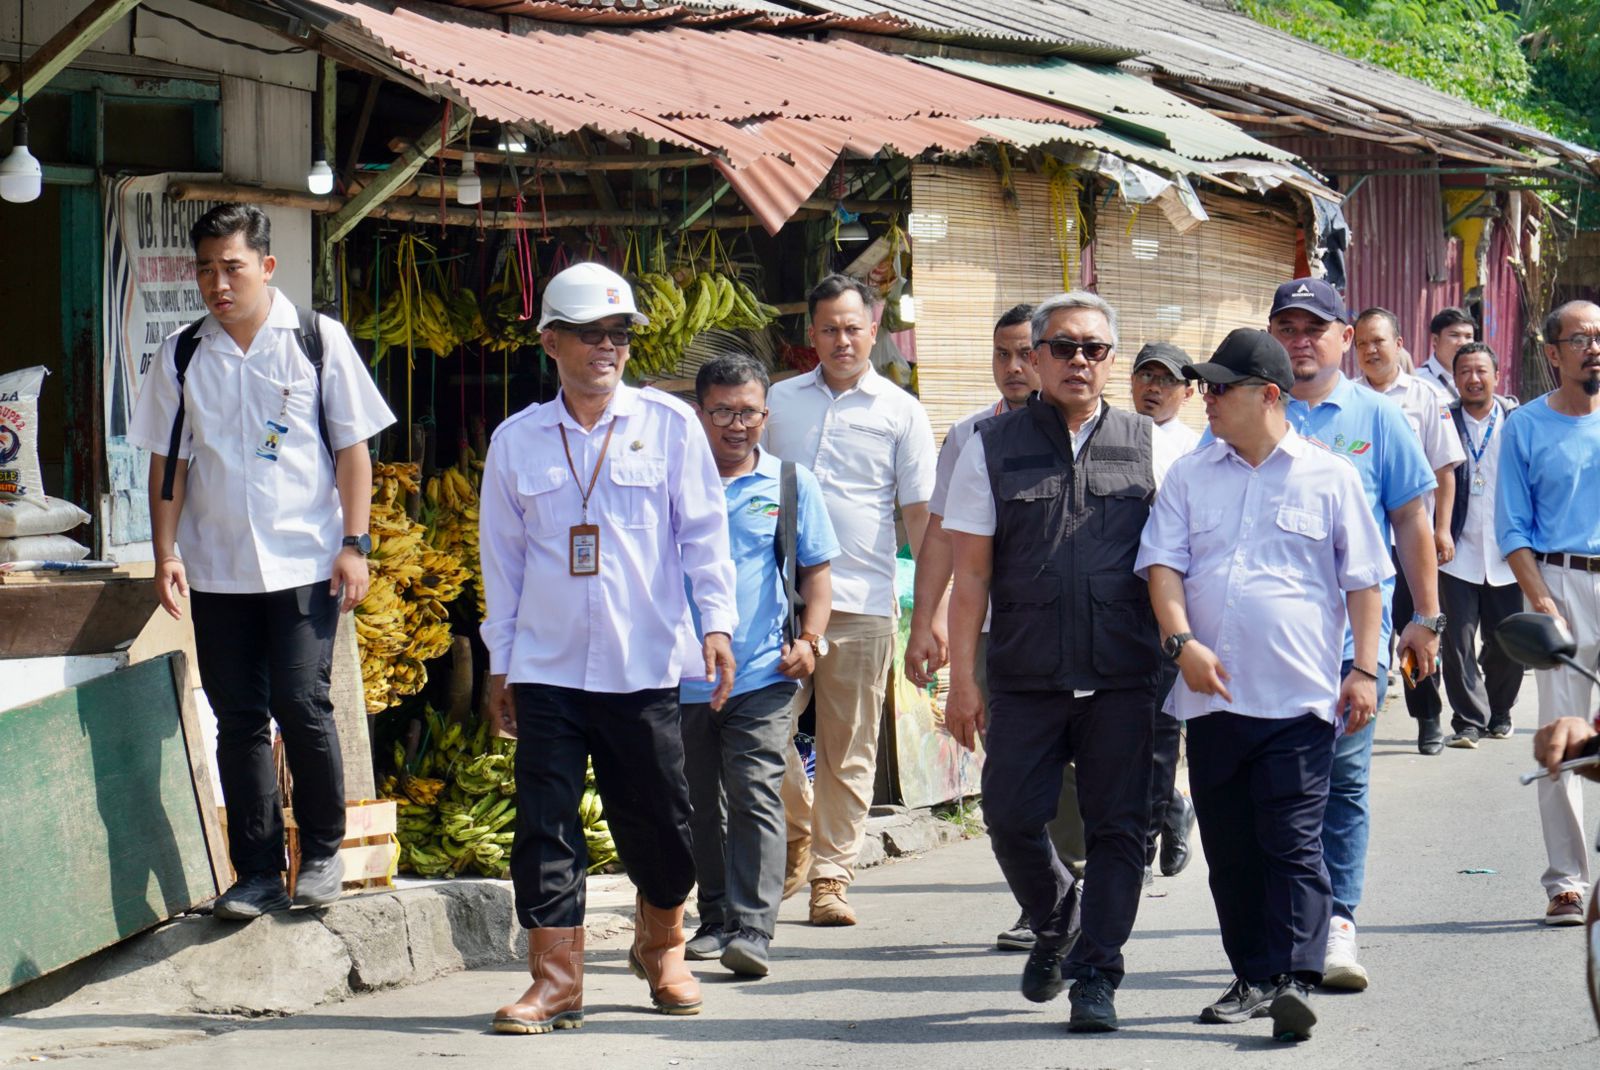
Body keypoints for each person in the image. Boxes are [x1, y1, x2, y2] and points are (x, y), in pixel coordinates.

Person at [481, 262, 737, 1033]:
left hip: (645, 663)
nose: (607, 349)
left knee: (659, 819)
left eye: (618, 335)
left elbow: (703, 534)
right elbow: (503, 561)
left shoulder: (668, 424)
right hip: (548, 665)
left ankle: (662, 946)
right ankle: (555, 979)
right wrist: (501, 660)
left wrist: (716, 625)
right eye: (589, 335)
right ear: (550, 341)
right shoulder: (516, 441)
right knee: (545, 824)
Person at [128, 203, 395, 921]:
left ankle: (326, 852)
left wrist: (355, 542)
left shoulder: (314, 341)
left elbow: (353, 449)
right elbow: (168, 463)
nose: (218, 283)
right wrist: (165, 554)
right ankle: (254, 873)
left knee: (302, 705)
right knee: (237, 715)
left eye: (232, 267)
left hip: (306, 560)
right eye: (206, 269)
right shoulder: (183, 353)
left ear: (266, 267)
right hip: (218, 568)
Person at [1137, 328, 1389, 1043]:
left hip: (1300, 698)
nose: (1207, 399)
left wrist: (1364, 670)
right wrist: (1181, 643)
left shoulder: (1329, 475)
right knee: (1232, 849)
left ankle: (1296, 977)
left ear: (1269, 396)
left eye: (1221, 388)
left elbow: (1364, 583)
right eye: (1205, 388)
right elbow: (1163, 567)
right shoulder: (1192, 472)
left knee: (1292, 840)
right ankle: (1254, 974)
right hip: (1212, 699)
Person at [943, 291, 1160, 1032]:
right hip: (1026, 671)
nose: (1078, 360)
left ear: (1109, 361)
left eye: (1093, 349)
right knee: (1008, 817)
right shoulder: (990, 448)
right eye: (1062, 346)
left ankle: (1096, 974)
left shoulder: (1154, 442)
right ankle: (1059, 915)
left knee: (1118, 829)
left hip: (1125, 674)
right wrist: (961, 678)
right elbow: (971, 574)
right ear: (1032, 358)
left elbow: (1180, 563)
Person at [1267, 277, 1442, 991]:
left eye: (1317, 328)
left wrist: (1424, 619)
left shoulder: (1378, 416)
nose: (1302, 341)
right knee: (1273, 791)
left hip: (1352, 644)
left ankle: (1337, 920)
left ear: (1345, 337)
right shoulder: (1258, 409)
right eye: (1289, 328)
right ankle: (1283, 921)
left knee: (1343, 782)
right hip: (1269, 646)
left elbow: (1411, 520)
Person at [765, 273, 936, 927]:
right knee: (766, 734)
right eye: (829, 328)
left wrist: (932, 612)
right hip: (780, 603)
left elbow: (919, 517)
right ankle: (800, 829)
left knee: (849, 745)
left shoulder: (901, 411)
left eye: (853, 327)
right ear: (811, 333)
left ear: (877, 329)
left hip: (865, 601)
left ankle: (831, 878)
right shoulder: (778, 402)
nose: (842, 340)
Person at [679, 354, 839, 978]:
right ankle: (714, 917)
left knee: (753, 795)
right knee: (698, 803)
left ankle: (752, 927)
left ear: (766, 415)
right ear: (700, 414)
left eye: (748, 412)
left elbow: (817, 575)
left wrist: (812, 639)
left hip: (763, 675)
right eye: (722, 411)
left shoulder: (790, 484)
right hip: (681, 677)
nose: (735, 425)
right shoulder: (675, 482)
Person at [903, 303, 1048, 951]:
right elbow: (938, 533)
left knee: (1074, 772)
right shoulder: (969, 437)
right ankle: (1044, 896)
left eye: (1024, 353)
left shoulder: (1089, 430)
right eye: (1001, 354)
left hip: (1072, 627)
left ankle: (1079, 888)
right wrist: (926, 620)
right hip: (992, 631)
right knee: (1012, 772)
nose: (1012, 368)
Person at [1496, 299, 1600, 927]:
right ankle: (1567, 883)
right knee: (1566, 739)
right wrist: (1540, 600)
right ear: (1553, 352)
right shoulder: (1527, 427)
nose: (1595, 347)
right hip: (1559, 585)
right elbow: (1513, 528)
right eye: (1582, 337)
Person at [1353, 308, 1464, 754]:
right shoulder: (1347, 399)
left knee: (1417, 624)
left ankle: (1428, 716)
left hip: (1411, 541)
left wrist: (1442, 529)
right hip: (1364, 542)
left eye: (1379, 341)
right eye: (1361, 343)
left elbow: (1445, 469)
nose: (1371, 351)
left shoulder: (1423, 396)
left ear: (1399, 344)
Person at [1129, 342, 1202, 882]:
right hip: (1112, 609)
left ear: (1189, 390)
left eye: (1166, 379)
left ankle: (1146, 840)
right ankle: (1170, 808)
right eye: (1144, 376)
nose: (1153, 387)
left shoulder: (1198, 453)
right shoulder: (1109, 437)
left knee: (1158, 731)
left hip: (1171, 611)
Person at [1438, 342, 1522, 745]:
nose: (1473, 379)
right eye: (1464, 372)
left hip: (1509, 551)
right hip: (1455, 548)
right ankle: (1468, 719)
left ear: (1496, 375)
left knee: (1508, 642)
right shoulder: (1443, 421)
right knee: (1456, 641)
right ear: (1454, 380)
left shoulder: (1517, 422)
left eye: (1481, 371)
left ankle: (1500, 709)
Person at [1417, 306, 1477, 400]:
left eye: (1468, 336)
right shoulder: (1418, 381)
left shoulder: (1477, 379)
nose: (1463, 343)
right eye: (1454, 335)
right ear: (1435, 340)